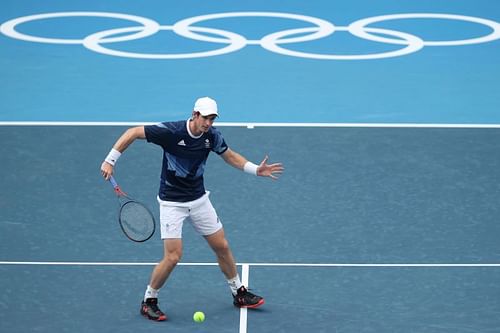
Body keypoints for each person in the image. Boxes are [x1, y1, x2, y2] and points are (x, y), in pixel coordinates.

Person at [100, 97, 284, 321]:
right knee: (173, 257)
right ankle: (149, 300)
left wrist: (256, 170)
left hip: (198, 200)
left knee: (221, 246)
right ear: (195, 114)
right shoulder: (171, 131)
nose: (208, 123)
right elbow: (133, 132)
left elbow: (230, 156)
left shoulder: (212, 136)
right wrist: (110, 160)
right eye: (206, 117)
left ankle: (238, 293)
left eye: (212, 119)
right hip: (172, 203)